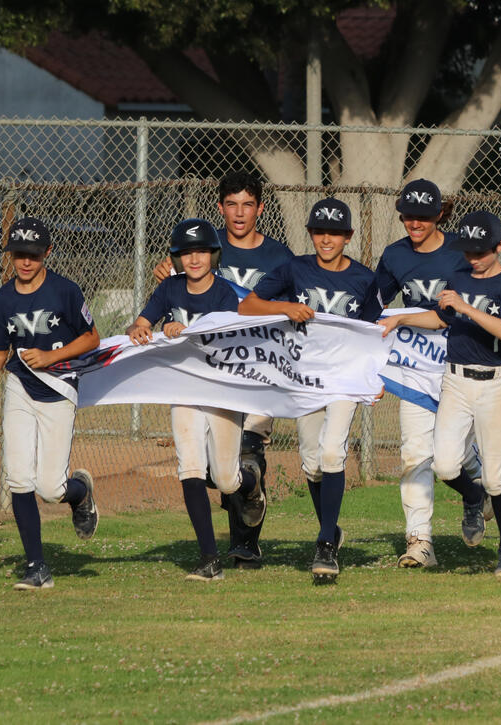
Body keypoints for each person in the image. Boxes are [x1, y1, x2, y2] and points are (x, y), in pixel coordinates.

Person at [239, 198, 382, 584]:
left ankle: (325, 545)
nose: (326, 239)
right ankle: (330, 530)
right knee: (311, 463)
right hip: (304, 378)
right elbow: (248, 306)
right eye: (319, 231)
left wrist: (373, 378)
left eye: (335, 232)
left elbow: (375, 334)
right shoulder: (294, 268)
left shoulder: (365, 279)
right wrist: (284, 307)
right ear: (311, 234)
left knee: (333, 452)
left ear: (348, 236)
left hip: (345, 378)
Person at [153, 172, 292, 568]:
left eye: (247, 204)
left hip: (256, 365)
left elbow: (288, 307)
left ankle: (245, 543)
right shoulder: (204, 246)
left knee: (248, 449)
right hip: (203, 370)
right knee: (218, 469)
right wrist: (167, 274)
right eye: (231, 204)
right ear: (220, 208)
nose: (239, 213)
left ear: (260, 208)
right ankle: (235, 512)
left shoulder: (278, 256)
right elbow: (177, 287)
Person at [380, 210, 501, 577]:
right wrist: (402, 318)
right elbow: (441, 317)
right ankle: (473, 498)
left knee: (496, 478)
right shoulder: (459, 275)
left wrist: (466, 307)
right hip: (455, 381)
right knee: (445, 465)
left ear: (500, 247)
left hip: (493, 383)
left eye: (481, 252)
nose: (473, 258)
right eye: (468, 251)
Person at [129, 218, 266, 581]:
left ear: (214, 255)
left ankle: (251, 484)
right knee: (189, 467)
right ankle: (209, 558)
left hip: (221, 389)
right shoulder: (169, 289)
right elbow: (140, 322)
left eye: (201, 251)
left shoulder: (223, 293)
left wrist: (184, 330)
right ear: (175, 258)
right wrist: (141, 327)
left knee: (225, 480)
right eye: (186, 253)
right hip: (183, 388)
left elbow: (221, 338)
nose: (194, 259)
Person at [0, 218, 101, 589]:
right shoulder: (4, 298)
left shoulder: (65, 291)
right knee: (18, 478)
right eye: (18, 254)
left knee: (51, 487)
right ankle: (36, 567)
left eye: (33, 254)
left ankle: (80, 492)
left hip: (58, 388)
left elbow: (91, 338)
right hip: (20, 386)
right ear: (10, 256)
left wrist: (50, 356)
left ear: (47, 253)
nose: (25, 262)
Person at [373, 179, 484, 569]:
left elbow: (450, 315)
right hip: (417, 367)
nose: (414, 222)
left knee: (458, 456)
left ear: (439, 214)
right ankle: (419, 540)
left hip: (461, 362)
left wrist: (405, 316)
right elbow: (372, 307)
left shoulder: (461, 253)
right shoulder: (395, 255)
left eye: (423, 215)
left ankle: (475, 494)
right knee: (416, 452)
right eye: (408, 215)